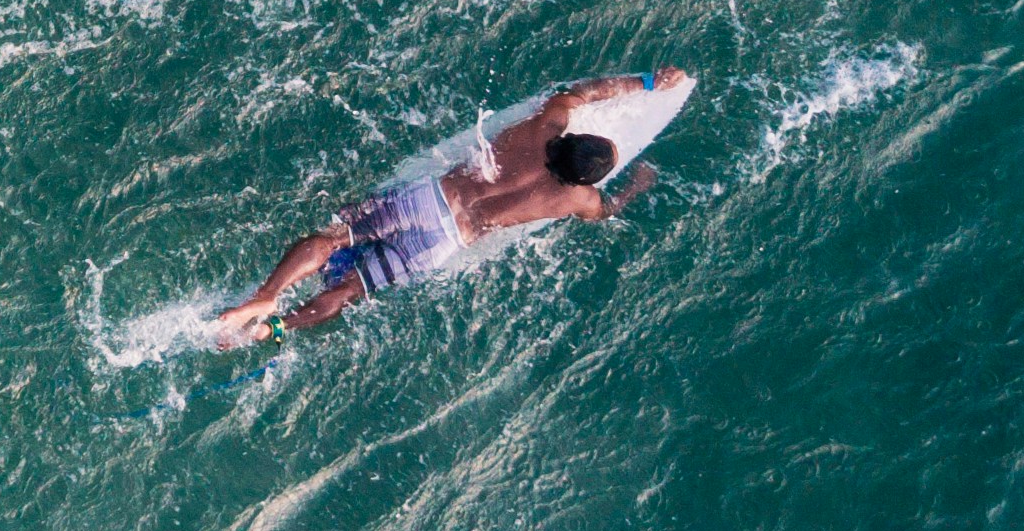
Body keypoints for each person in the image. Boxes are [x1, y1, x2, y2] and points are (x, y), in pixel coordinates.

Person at [211, 68, 688, 346]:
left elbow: (584, 90)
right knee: (351, 291)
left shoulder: (544, 126)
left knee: (335, 237)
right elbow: (606, 212)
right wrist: (636, 188)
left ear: (573, 137)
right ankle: (279, 324)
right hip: (443, 242)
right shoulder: (576, 198)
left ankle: (269, 293)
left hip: (430, 199)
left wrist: (649, 80)